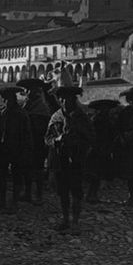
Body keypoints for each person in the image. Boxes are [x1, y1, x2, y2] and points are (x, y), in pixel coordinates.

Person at [44, 85, 94, 233]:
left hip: (77, 159)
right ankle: (65, 219)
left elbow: (91, 137)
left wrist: (77, 141)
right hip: (60, 159)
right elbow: (47, 138)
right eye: (62, 100)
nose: (65, 102)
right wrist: (57, 139)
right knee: (63, 191)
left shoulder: (82, 117)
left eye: (69, 100)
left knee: (76, 191)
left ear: (74, 100)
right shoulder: (56, 117)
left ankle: (75, 221)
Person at [0, 84, 33, 211]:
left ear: (14, 99)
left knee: (16, 176)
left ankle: (14, 202)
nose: (7, 101)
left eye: (9, 99)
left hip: (16, 148)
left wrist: (26, 150)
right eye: (5, 99)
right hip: (1, 149)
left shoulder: (21, 114)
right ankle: (2, 200)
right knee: (1, 175)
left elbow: (27, 133)